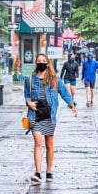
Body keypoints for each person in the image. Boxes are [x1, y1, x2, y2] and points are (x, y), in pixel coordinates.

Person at [24, 52, 78, 183]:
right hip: (35, 115)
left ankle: (48, 172)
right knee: (37, 143)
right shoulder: (30, 79)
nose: (41, 62)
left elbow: (64, 93)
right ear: (36, 63)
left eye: (43, 60)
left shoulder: (55, 79)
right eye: (39, 60)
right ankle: (37, 172)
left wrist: (72, 105)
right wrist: (28, 102)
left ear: (48, 64)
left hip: (49, 115)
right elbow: (26, 94)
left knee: (49, 144)